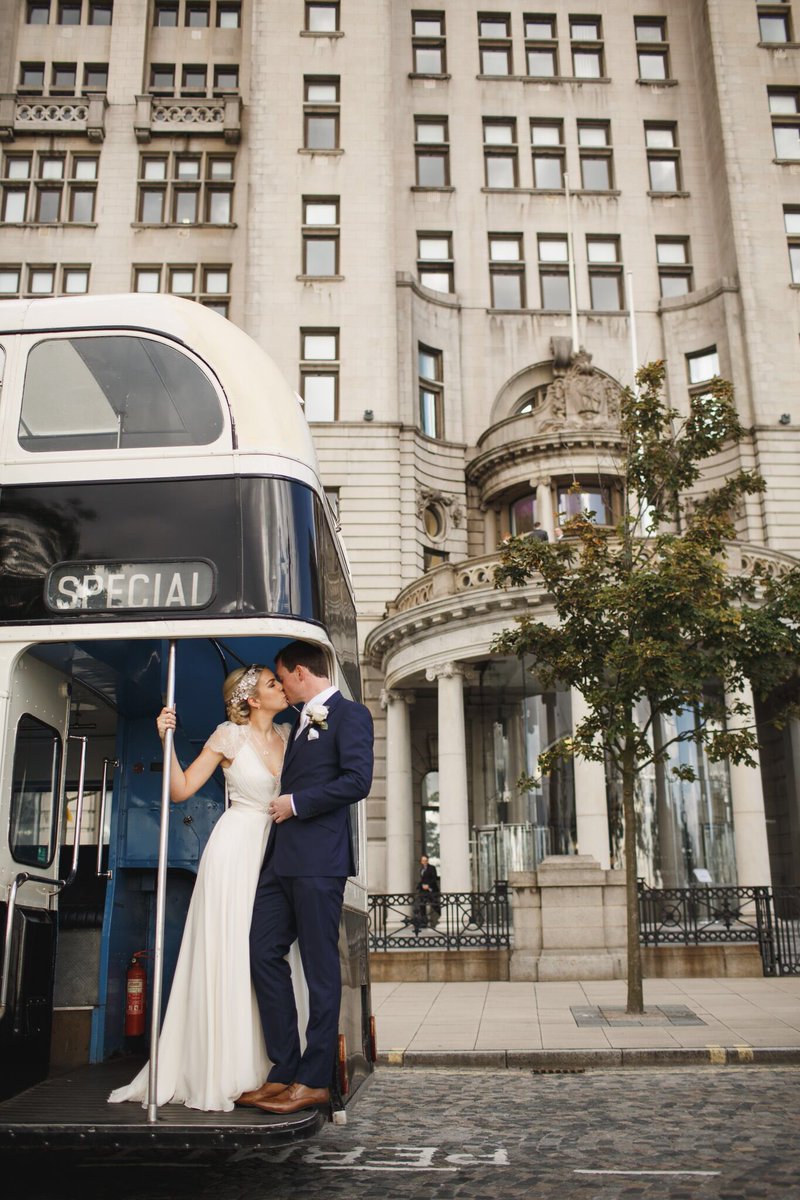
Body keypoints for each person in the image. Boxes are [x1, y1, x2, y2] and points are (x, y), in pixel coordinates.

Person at [108, 664, 308, 1112]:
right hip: (236, 850)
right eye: (274, 684)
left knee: (270, 955)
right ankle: (229, 1065)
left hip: (278, 850)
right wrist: (167, 740)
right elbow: (181, 790)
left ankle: (279, 1067)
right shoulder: (227, 737)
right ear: (252, 699)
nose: (283, 686)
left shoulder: (292, 733)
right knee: (234, 951)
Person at [238, 640, 374, 1115]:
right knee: (261, 950)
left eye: (281, 677)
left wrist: (295, 804)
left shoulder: (350, 715)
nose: (282, 685)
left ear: (298, 673)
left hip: (319, 861)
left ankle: (314, 1080)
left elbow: (358, 781)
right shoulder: (295, 722)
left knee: (319, 969)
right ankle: (284, 1069)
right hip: (281, 863)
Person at [412, 854, 441, 933]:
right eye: (423, 861)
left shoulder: (432, 868)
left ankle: (442, 915)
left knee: (435, 905)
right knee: (422, 905)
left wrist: (428, 886)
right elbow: (423, 879)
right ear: (421, 861)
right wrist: (420, 886)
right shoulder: (421, 869)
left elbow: (434, 878)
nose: (424, 862)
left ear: (427, 861)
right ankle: (424, 922)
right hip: (423, 891)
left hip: (431, 890)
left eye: (426, 860)